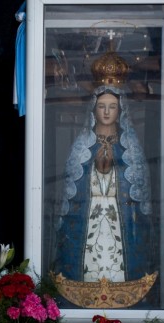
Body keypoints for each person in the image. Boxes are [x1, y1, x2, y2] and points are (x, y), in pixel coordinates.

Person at [53, 74, 155, 288]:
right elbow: (72, 188)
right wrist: (95, 170)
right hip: (88, 217)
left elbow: (137, 189)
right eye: (101, 106)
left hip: (120, 218)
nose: (107, 112)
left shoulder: (131, 151)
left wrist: (113, 171)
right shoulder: (81, 148)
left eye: (112, 107)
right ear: (93, 110)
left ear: (120, 111)